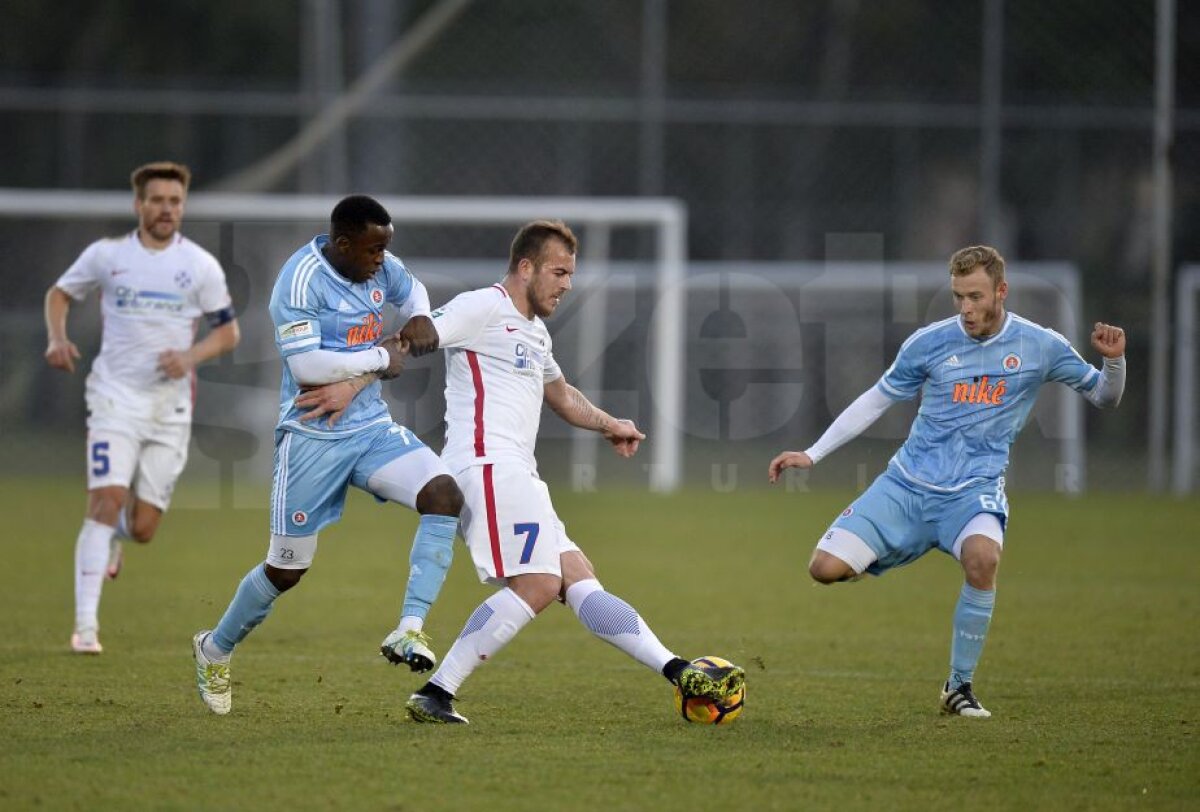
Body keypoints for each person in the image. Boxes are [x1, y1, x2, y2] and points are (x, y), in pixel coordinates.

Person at [297, 220, 745, 724]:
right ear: (526, 267)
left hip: (516, 473)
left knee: (579, 579)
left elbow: (562, 396)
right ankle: (438, 691)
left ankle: (679, 670)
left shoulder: (535, 332)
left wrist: (609, 425)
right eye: (559, 271)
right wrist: (350, 386)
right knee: (538, 582)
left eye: (571, 274)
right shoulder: (483, 306)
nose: (567, 284)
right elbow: (411, 338)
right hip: (485, 466)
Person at [768, 245, 1126, 718]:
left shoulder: (1041, 345)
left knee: (982, 560)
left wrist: (1115, 362)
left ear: (1001, 291)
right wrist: (812, 454)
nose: (966, 308)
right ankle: (906, 543)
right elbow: (874, 400)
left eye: (976, 296)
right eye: (958, 297)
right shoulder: (929, 343)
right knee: (824, 569)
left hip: (972, 493)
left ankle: (958, 687)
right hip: (906, 486)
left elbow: (1104, 397)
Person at [191, 195, 464, 716]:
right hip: (312, 437)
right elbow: (310, 366)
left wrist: (423, 314)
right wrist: (384, 356)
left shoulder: (382, 266)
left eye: (386, 248)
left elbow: (412, 291)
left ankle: (409, 629)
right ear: (343, 245)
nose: (382, 260)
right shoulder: (299, 282)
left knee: (444, 494)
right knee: (286, 570)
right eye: (373, 250)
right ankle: (214, 649)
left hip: (371, 430)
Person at [44, 161, 241, 655]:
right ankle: (85, 628)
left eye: (175, 201)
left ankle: (113, 538)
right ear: (139, 205)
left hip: (170, 410)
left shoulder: (200, 266)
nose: (166, 209)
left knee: (144, 528)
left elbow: (228, 332)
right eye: (157, 200)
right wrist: (57, 338)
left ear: (183, 206)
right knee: (105, 500)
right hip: (114, 398)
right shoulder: (107, 256)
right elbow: (59, 294)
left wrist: (190, 357)